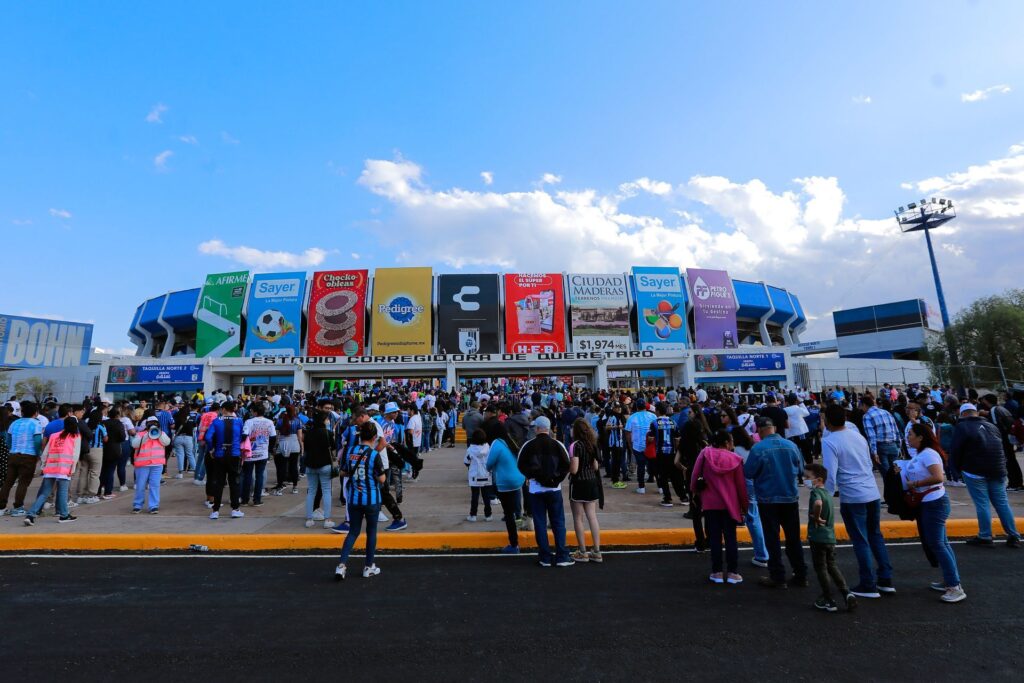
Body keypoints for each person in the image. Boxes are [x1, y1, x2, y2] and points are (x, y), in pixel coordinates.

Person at [821, 404, 895, 598]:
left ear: (827, 420)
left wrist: (826, 496)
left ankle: (868, 584)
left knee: (861, 540)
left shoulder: (829, 441)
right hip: (871, 492)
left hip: (853, 496)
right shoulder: (858, 436)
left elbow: (829, 472)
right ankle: (886, 579)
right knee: (875, 535)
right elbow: (869, 463)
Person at [897, 423, 966, 603]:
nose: (908, 437)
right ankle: (950, 580)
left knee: (938, 544)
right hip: (929, 502)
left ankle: (955, 587)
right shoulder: (920, 454)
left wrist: (914, 485)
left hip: (934, 503)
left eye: (911, 434)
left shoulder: (928, 453)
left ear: (921, 437)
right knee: (941, 543)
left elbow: (938, 477)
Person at [744, 417, 808, 588]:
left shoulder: (758, 448)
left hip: (768, 499)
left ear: (761, 430)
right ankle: (800, 573)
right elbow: (801, 469)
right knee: (793, 538)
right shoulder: (791, 446)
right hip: (789, 497)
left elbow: (748, 472)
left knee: (772, 538)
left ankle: (778, 576)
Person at [951, 403, 1021, 547]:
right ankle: (1013, 535)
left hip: (975, 471)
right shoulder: (991, 426)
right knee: (1002, 503)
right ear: (975, 413)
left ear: (963, 414)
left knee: (982, 503)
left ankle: (985, 536)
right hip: (998, 469)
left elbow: (956, 450)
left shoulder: (962, 427)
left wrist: (955, 470)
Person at [691, 430, 748, 585]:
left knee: (715, 538)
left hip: (710, 503)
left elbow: (695, 477)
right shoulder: (736, 459)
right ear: (727, 443)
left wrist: (696, 493)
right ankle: (732, 573)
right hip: (730, 504)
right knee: (731, 538)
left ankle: (716, 572)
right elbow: (741, 487)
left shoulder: (705, 454)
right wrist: (744, 506)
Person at [517, 415, 573, 567]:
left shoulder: (528, 445)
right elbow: (566, 465)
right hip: (554, 489)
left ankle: (545, 557)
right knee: (558, 522)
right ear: (549, 428)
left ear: (537, 428)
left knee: (540, 523)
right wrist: (555, 479)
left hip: (536, 489)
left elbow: (521, 465)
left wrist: (533, 476)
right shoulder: (558, 444)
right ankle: (562, 555)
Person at [335, 421, 386, 580]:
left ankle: (341, 565)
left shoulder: (350, 451)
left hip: (354, 498)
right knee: (371, 532)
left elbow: (342, 473)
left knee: (353, 532)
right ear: (374, 437)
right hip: (371, 499)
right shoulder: (374, 455)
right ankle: (369, 566)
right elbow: (382, 479)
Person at [804, 463, 856, 613]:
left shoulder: (816, 493)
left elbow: (818, 503)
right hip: (830, 537)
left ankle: (828, 599)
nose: (805, 480)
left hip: (818, 537)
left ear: (819, 479)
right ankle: (847, 593)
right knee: (832, 566)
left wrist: (816, 516)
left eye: (808, 477)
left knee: (821, 568)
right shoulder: (828, 493)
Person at [23, 417, 82, 525]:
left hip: (50, 468)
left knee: (44, 493)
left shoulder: (54, 435)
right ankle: (64, 515)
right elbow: (75, 455)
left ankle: (31, 515)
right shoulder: (75, 436)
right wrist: (72, 469)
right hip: (64, 468)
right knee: (62, 492)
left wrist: (43, 466)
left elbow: (45, 452)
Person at [730, 425, 769, 568]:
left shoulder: (736, 451)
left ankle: (762, 555)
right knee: (755, 516)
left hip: (745, 483)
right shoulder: (753, 447)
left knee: (752, 518)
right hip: (757, 482)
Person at [484, 419, 525, 553]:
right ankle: (518, 516)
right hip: (518, 479)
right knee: (513, 508)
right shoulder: (509, 440)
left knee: (508, 514)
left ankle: (514, 544)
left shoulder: (496, 443)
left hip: (505, 482)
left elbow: (489, 463)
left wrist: (492, 468)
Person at [568, 418, 603, 563]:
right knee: (592, 516)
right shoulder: (592, 444)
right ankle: (596, 550)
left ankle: (582, 551)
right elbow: (595, 467)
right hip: (592, 482)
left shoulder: (575, 446)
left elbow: (574, 469)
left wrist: (567, 467)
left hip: (578, 483)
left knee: (578, 517)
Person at [1, 401, 44, 516]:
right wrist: (38, 454)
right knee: (23, 483)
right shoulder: (36, 424)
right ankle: (18, 507)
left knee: (8, 482)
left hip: (13, 455)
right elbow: (37, 441)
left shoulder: (14, 423)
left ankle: (1, 507)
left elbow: (8, 440)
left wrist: (13, 449)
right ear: (35, 413)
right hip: (28, 456)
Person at [204, 401, 246, 520]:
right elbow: (244, 435)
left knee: (219, 482)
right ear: (233, 409)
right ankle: (235, 509)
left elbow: (208, 437)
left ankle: (215, 511)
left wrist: (212, 449)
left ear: (223, 409)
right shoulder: (239, 421)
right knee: (234, 482)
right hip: (234, 454)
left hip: (219, 454)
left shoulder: (217, 421)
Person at [303, 410, 336, 529]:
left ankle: (309, 519)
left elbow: (306, 448)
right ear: (323, 421)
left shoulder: (308, 433)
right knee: (327, 491)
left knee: (311, 491)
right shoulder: (327, 433)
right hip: (325, 464)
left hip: (310, 465)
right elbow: (333, 448)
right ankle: (327, 519)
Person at [131, 417, 170, 514]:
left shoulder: (161, 434)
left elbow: (167, 442)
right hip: (142, 464)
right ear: (147, 424)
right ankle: (137, 505)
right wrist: (147, 435)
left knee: (155, 485)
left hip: (157, 464)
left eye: (155, 423)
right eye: (151, 423)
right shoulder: (140, 434)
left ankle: (153, 506)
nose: (153, 425)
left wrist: (159, 433)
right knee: (140, 485)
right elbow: (134, 444)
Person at [651, 402, 686, 508]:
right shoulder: (673, 422)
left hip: (660, 453)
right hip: (672, 453)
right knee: (676, 476)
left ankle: (668, 498)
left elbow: (651, 438)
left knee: (663, 477)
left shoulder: (654, 423)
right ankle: (683, 497)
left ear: (657, 411)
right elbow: (677, 439)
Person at [241, 403, 276, 507]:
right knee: (259, 476)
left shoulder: (249, 422)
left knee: (247, 476)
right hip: (263, 453)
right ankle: (257, 500)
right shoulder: (269, 422)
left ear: (255, 412)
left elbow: (244, 435)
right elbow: (273, 437)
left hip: (249, 453)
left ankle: (245, 500)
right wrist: (269, 449)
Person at [860, 395, 902, 473]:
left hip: (881, 447)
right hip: (893, 446)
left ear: (864, 405)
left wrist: (874, 452)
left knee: (886, 476)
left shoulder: (867, 416)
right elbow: (896, 430)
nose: (861, 409)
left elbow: (871, 436)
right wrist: (898, 446)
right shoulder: (886, 412)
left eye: (861, 406)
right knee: (896, 474)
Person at [624, 401, 656, 494]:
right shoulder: (653, 416)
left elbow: (627, 432)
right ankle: (660, 486)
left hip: (638, 445)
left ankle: (641, 487)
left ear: (636, 407)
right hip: (650, 445)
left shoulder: (632, 417)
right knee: (654, 464)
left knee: (640, 466)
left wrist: (630, 445)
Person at [463, 428, 494, 522]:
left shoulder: (470, 449)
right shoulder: (488, 448)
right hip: (486, 475)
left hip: (475, 476)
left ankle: (473, 515)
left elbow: (466, 462)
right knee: (486, 497)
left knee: (475, 497)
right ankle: (488, 515)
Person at [171, 405, 197, 479]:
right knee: (190, 454)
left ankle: (180, 473)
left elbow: (174, 429)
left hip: (178, 438)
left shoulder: (178, 418)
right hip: (188, 438)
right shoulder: (192, 418)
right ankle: (195, 471)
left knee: (180, 455)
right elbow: (195, 429)